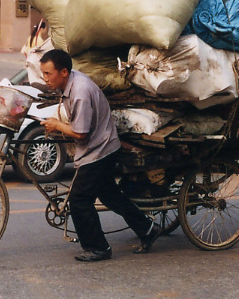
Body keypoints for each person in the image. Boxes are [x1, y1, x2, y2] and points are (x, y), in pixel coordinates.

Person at [39, 49, 161, 262]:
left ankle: (99, 248)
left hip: (99, 150)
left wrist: (58, 125)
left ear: (64, 72)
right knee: (110, 195)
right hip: (99, 145)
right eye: (43, 73)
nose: (45, 78)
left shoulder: (80, 92)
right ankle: (148, 228)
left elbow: (81, 133)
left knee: (79, 199)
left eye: (48, 73)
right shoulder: (69, 85)